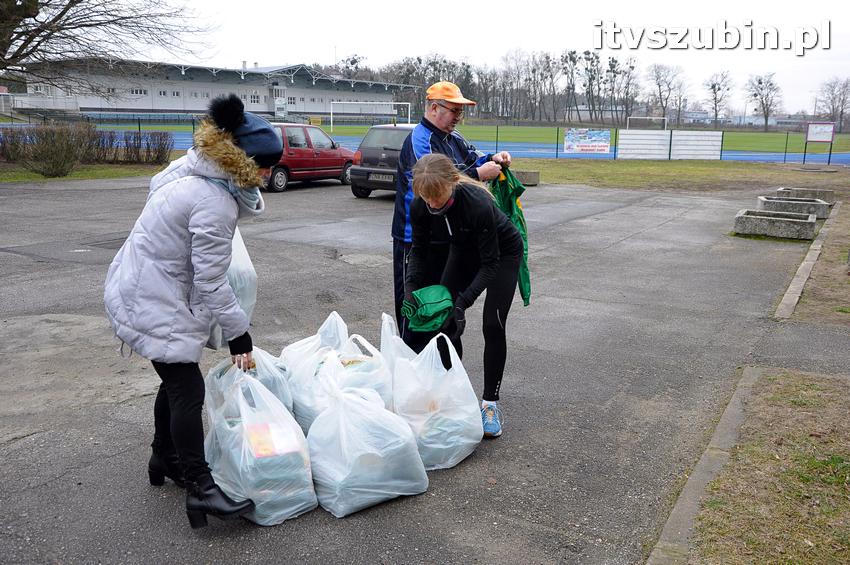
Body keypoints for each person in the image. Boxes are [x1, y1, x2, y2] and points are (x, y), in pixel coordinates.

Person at [103, 94, 283, 529]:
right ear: (241, 161)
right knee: (188, 390)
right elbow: (211, 280)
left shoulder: (190, 167)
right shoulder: (215, 202)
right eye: (264, 166)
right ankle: (201, 488)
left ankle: (163, 457)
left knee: (175, 379)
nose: (268, 174)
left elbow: (158, 193)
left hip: (142, 283)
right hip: (153, 298)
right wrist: (239, 333)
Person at [404, 153, 523, 438]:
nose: (433, 204)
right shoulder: (421, 205)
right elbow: (418, 250)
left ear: (453, 182)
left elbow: (490, 264)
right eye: (427, 198)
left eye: (437, 197)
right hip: (463, 248)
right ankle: (451, 393)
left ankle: (490, 404)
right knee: (443, 320)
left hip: (503, 254)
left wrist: (463, 303)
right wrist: (410, 288)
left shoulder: (478, 203)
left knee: (492, 324)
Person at [393, 81, 512, 350]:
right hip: (415, 236)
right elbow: (437, 181)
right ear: (434, 108)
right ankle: (410, 358)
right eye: (454, 110)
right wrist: (479, 175)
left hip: (446, 234)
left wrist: (494, 158)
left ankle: (443, 360)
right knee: (414, 305)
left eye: (461, 111)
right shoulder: (421, 140)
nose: (458, 116)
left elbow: (473, 157)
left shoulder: (453, 137)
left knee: (441, 303)